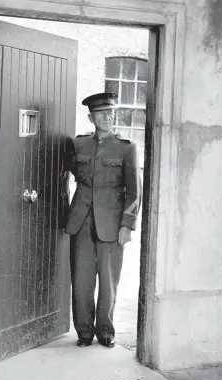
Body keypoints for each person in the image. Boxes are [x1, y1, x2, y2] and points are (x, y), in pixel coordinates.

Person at [64, 92, 141, 348]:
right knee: (82, 279)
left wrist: (127, 225)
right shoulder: (78, 145)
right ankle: (84, 332)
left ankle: (105, 331)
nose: (107, 117)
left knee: (108, 281)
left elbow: (133, 191)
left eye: (110, 113)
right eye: (101, 114)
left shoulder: (126, 148)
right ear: (91, 117)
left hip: (111, 221)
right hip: (81, 220)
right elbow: (72, 175)